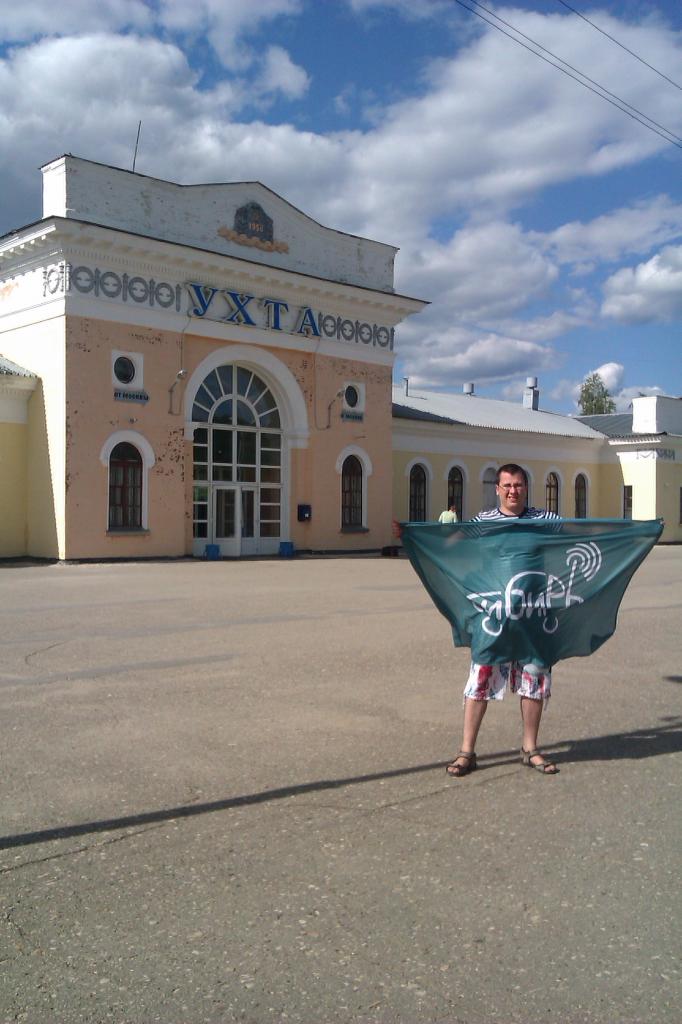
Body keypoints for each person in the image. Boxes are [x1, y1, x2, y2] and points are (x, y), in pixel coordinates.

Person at [447, 463, 560, 777]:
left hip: (534, 614)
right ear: (497, 489)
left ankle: (530, 748)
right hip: (494, 616)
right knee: (480, 678)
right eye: (507, 485)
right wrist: (413, 535)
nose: (513, 491)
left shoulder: (545, 520)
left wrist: (638, 532)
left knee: (534, 680)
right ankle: (466, 752)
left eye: (518, 485)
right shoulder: (483, 522)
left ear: (526, 487)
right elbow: (451, 542)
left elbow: (579, 536)